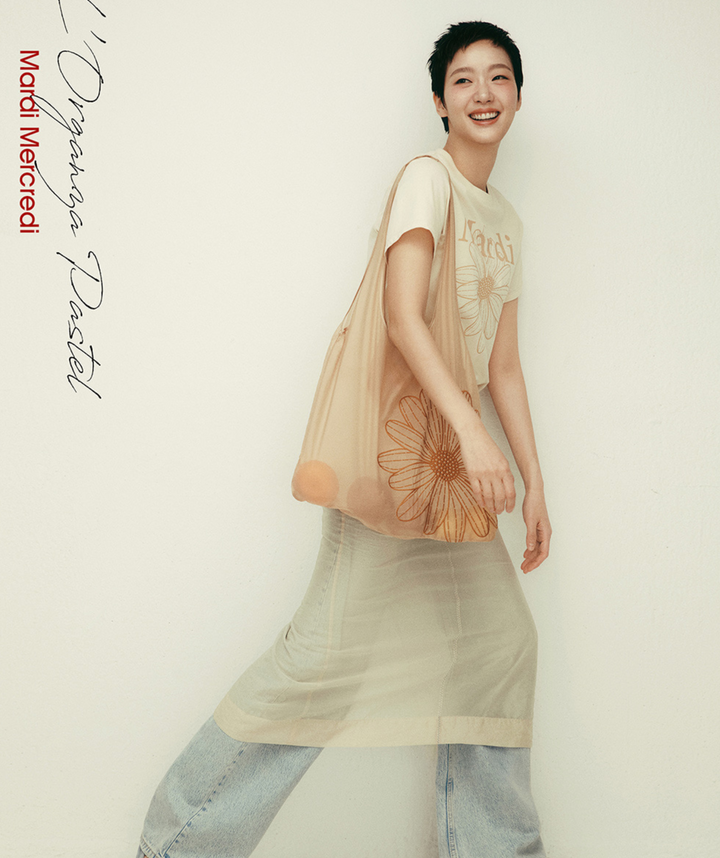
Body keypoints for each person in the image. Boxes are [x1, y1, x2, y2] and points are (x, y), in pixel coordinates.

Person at [136, 20, 551, 858]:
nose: (482, 93)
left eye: (498, 77)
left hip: (451, 474)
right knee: (323, 661)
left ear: (517, 95)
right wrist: (474, 439)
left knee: (500, 647)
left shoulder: (505, 218)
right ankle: (179, 842)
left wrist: (534, 481)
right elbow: (401, 317)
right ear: (439, 102)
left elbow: (502, 366)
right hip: (398, 461)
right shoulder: (426, 180)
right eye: (463, 79)